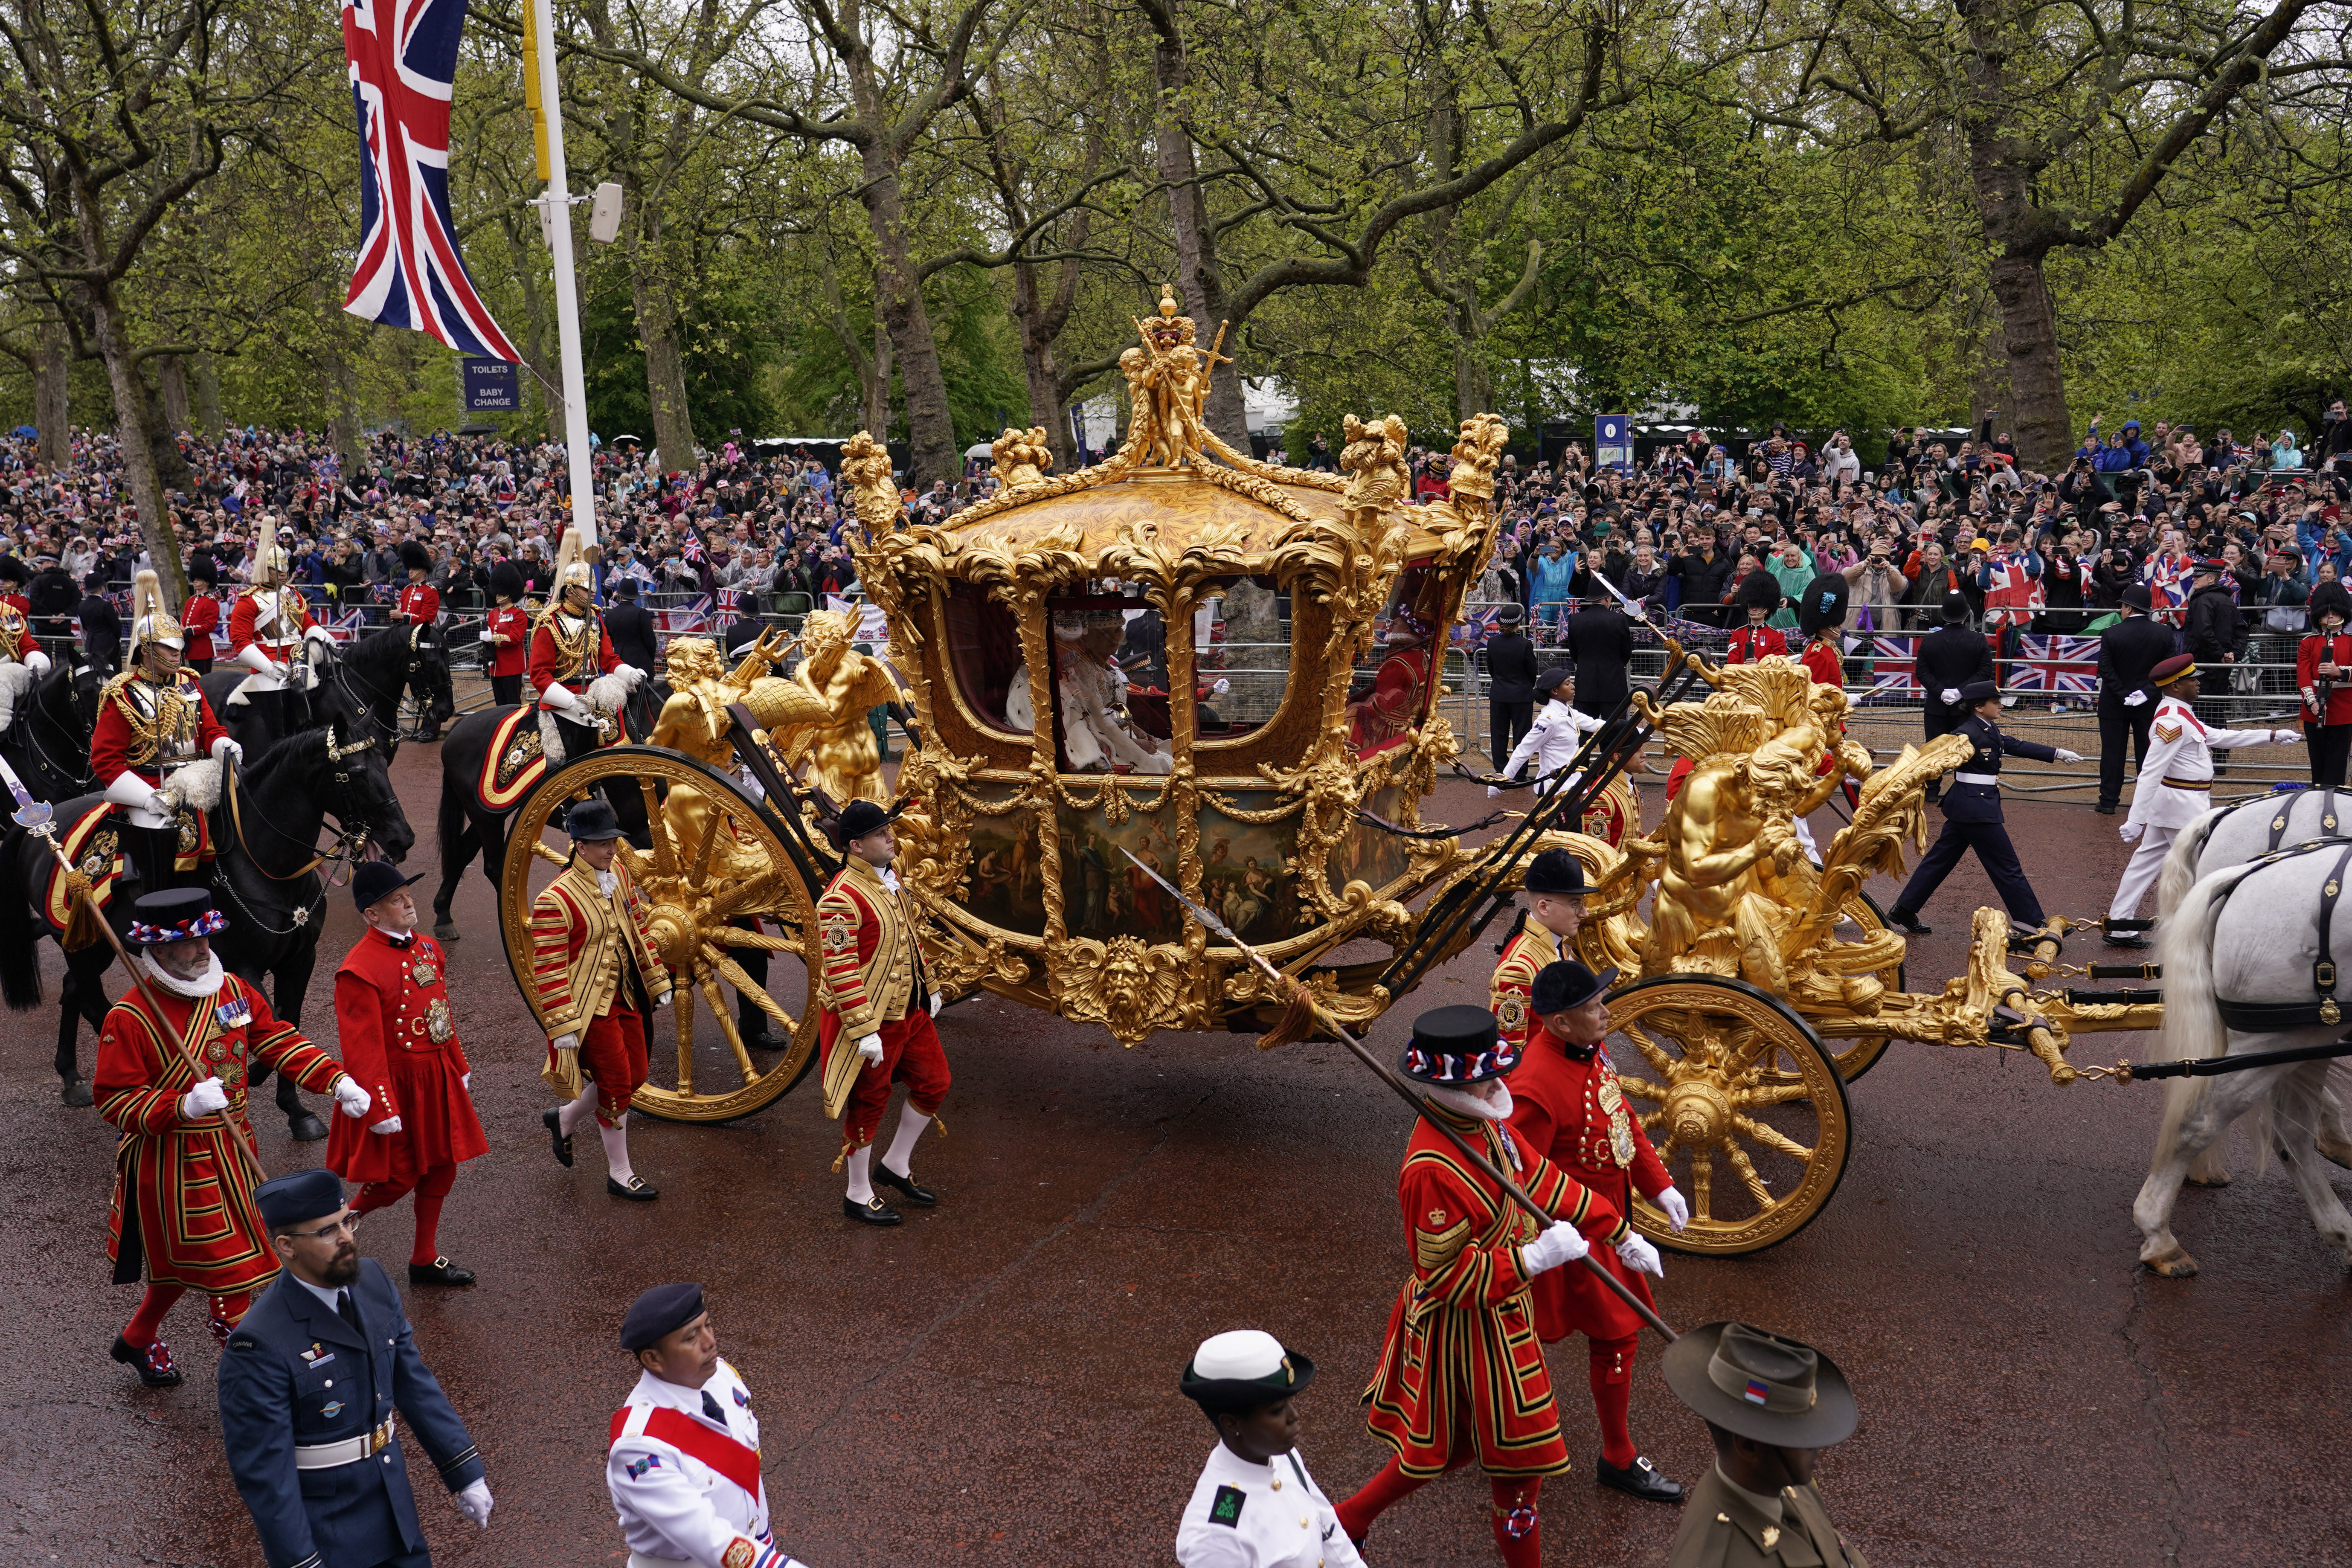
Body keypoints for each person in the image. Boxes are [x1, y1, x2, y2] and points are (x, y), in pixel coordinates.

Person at [1332, 1005, 1660, 1567]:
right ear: (1454, 1085)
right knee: (1520, 1464)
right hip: (1468, 1327)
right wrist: (1533, 1258)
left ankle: (1347, 1520)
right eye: (1486, 1079)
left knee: (1432, 1451)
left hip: (1504, 1313)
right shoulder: (1430, 1169)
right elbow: (1446, 1275)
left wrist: (1615, 1229)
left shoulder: (1487, 1122)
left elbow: (1541, 1178)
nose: (1498, 1085)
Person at [96, 888, 371, 1386]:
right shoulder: (130, 1017)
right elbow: (114, 1099)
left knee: (187, 1267)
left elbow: (276, 1040)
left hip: (233, 1147)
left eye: (206, 937)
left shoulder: (233, 990)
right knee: (234, 1269)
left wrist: (335, 1079)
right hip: (176, 1162)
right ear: (158, 950)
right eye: (190, 943)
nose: (203, 949)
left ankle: (136, 1338)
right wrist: (181, 1105)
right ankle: (267, 1378)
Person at [219, 1168, 494, 1568]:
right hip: (328, 1531)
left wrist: (464, 1470)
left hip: (394, 1506)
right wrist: (300, 1561)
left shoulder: (375, 1283)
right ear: (287, 1246)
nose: (347, 1237)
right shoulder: (259, 1342)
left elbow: (414, 1384)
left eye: (348, 1220)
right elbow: (265, 1472)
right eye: (327, 1231)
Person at [1508, 959, 1690, 1503]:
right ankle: (1598, 1453)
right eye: (1592, 1006)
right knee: (1545, 1336)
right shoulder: (1534, 1083)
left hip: (1608, 1217)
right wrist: (1612, 1231)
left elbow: (1620, 1117)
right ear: (1560, 1023)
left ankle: (1615, 1453)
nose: (1604, 1012)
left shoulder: (1590, 1048)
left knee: (1617, 1336)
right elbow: (1529, 1180)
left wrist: (1658, 1184)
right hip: (1569, 1229)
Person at [327, 861, 488, 1287]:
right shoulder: (358, 969)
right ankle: (337, 1224)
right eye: (396, 900)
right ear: (373, 915)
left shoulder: (429, 948)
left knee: (443, 1165)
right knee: (397, 1177)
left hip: (434, 1075)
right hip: (395, 1084)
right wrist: (381, 1105)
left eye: (407, 895)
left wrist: (459, 1064)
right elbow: (362, 1047)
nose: (408, 902)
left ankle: (424, 1257)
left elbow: (441, 1014)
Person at [609, 1283, 814, 1568]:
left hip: (755, 1550)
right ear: (653, 1359)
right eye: (692, 1337)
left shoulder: (722, 1377)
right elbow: (707, 1536)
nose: (710, 1342)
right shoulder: (638, 1448)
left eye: (708, 1326)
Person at [531, 797, 674, 1198]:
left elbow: (639, 927)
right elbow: (550, 968)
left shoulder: (620, 875)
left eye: (613, 840)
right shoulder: (554, 900)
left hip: (626, 995)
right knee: (615, 1082)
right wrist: (561, 1025)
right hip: (587, 1007)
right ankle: (620, 1172)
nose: (612, 849)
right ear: (581, 846)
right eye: (603, 843)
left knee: (637, 1077)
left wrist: (657, 979)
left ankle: (564, 1118)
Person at [816, 798, 948, 1225]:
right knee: (869, 1102)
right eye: (880, 833)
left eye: (887, 830)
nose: (891, 837)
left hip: (910, 1010)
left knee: (935, 1083)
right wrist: (862, 1029)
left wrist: (929, 986)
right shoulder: (839, 899)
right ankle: (857, 1192)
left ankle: (895, 1164)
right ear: (856, 846)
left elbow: (910, 940)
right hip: (873, 1019)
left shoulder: (890, 880)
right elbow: (840, 969)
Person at [2106, 655, 2298, 945]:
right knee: (2202, 867)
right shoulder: (2173, 720)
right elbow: (2150, 773)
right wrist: (2136, 818)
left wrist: (2270, 735)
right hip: (2182, 805)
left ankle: (2121, 925)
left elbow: (2217, 736)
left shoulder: (2181, 713)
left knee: (2146, 864)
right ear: (2174, 686)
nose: (2198, 683)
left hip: (2181, 802)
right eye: (2191, 679)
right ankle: (2206, 932)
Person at [1661, 1322, 1866, 1568]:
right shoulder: (1720, 1558)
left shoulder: (1788, 1484)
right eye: (1799, 1437)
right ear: (1749, 1448)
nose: (1817, 1445)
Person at [1885, 680, 2082, 935]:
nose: (2001, 706)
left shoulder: (1986, 727)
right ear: (1979, 707)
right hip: (1975, 806)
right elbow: (1934, 761)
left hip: (1970, 803)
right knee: (2006, 866)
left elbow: (2013, 744)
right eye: (1996, 702)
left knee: (1940, 861)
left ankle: (1904, 909)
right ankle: (2031, 922)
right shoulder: (1965, 734)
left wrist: (2057, 753)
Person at [91, 571, 241, 892]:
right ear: (146, 650)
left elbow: (210, 730)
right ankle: (153, 916)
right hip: (148, 787)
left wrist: (224, 745)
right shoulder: (123, 694)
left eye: (179, 649)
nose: (178, 655)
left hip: (200, 780)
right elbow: (105, 760)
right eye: (169, 649)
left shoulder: (190, 683)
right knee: (157, 848)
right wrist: (148, 798)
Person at [1176, 1329, 1365, 1568]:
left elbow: (1329, 1532)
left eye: (1290, 1404)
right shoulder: (1218, 1535)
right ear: (1232, 1423)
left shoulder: (1281, 1456)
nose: (1294, 1417)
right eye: (1277, 1411)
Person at [530, 527, 645, 764]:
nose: (592, 594)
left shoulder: (596, 617)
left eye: (592, 589)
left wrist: (630, 673)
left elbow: (608, 660)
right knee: (562, 757)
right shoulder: (548, 622)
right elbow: (539, 675)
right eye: (585, 589)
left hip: (594, 691)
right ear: (570, 590)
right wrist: (571, 701)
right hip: (562, 698)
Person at [229, 535, 332, 746]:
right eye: (277, 569)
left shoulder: (294, 594)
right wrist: (266, 667)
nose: (284, 573)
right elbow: (240, 641)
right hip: (268, 660)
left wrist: (322, 635)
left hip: (300, 656)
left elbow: (307, 624)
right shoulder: (248, 601)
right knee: (280, 708)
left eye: (285, 568)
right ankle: (280, 745)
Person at [1488, 848, 1587, 1062]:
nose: (1584, 913)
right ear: (1544, 907)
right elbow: (1509, 1056)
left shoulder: (1552, 940)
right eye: (1576, 904)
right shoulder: (1519, 968)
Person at [2094, 584, 2172, 815]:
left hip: (2114, 702)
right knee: (2149, 754)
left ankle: (2108, 800)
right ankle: (2148, 804)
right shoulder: (2163, 633)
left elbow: (2105, 669)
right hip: (2149, 703)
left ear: (2128, 608)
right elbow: (2168, 669)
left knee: (2112, 754)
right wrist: (2146, 692)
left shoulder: (2112, 633)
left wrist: (2122, 694)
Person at [1912, 592, 1992, 805]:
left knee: (1934, 749)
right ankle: (1964, 789)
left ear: (1944, 615)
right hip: (1966, 707)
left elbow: (1922, 671)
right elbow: (1985, 671)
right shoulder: (1978, 640)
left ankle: (1932, 790)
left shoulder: (1930, 641)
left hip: (1936, 705)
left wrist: (1941, 691)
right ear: (1966, 615)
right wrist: (1960, 691)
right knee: (1965, 748)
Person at [1490, 668, 1603, 795]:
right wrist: (1501, 783)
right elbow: (1524, 750)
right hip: (1554, 790)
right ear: (1555, 691)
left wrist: (1624, 725)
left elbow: (1594, 724)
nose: (1573, 687)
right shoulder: (1548, 720)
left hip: (1570, 785)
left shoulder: (1568, 711)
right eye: (1567, 684)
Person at [2297, 580, 2352, 787]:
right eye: (2326, 614)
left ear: (2342, 615)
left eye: (2335, 614)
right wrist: (2311, 701)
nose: (2330, 617)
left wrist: (2339, 672)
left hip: (2343, 710)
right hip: (2314, 708)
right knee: (2317, 764)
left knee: (2337, 764)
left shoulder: (2350, 641)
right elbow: (2302, 674)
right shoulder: (2308, 643)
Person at [1486, 601, 1539, 769]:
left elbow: (1491, 669)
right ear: (1518, 624)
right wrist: (1527, 685)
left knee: (1499, 734)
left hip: (1499, 693)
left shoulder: (1492, 643)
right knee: (1522, 736)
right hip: (1521, 694)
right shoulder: (1525, 644)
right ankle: (1519, 770)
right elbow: (1532, 670)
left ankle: (1501, 769)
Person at [1565, 590, 1635, 716]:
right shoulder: (1619, 620)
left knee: (1585, 732)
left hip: (1585, 685)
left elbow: (1574, 653)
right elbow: (1626, 652)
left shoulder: (1576, 619)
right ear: (1608, 599)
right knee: (1616, 732)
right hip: (1614, 684)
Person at [481, 560, 530, 706]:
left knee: (513, 704)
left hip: (511, 665)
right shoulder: (493, 614)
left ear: (509, 594)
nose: (497, 595)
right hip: (496, 665)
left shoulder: (519, 614)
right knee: (500, 705)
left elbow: (515, 638)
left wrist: (493, 638)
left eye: (501, 593)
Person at [1724, 571, 1788, 662]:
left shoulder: (1776, 636)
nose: (1754, 609)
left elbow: (1779, 664)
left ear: (1767, 610)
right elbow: (1732, 662)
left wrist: (1759, 665)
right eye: (1752, 607)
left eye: (1758, 607)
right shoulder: (1738, 634)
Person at [606, 574, 661, 674]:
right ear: (635, 598)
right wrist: (650, 659)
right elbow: (650, 641)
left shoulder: (610, 614)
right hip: (641, 664)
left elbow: (610, 640)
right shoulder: (641, 613)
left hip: (620, 665)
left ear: (620, 596)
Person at [182, 553, 220, 674]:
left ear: (206, 582)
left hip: (202, 649)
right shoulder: (191, 600)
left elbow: (209, 626)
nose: (195, 581)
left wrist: (189, 631)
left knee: (203, 679)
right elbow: (184, 621)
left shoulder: (210, 601)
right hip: (190, 648)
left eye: (198, 579)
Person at [390, 540, 440, 628]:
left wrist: (404, 617)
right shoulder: (407, 590)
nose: (411, 572)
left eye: (415, 569)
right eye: (410, 569)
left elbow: (428, 618)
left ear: (423, 571)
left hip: (423, 633)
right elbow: (403, 611)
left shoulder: (430, 591)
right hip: (405, 632)